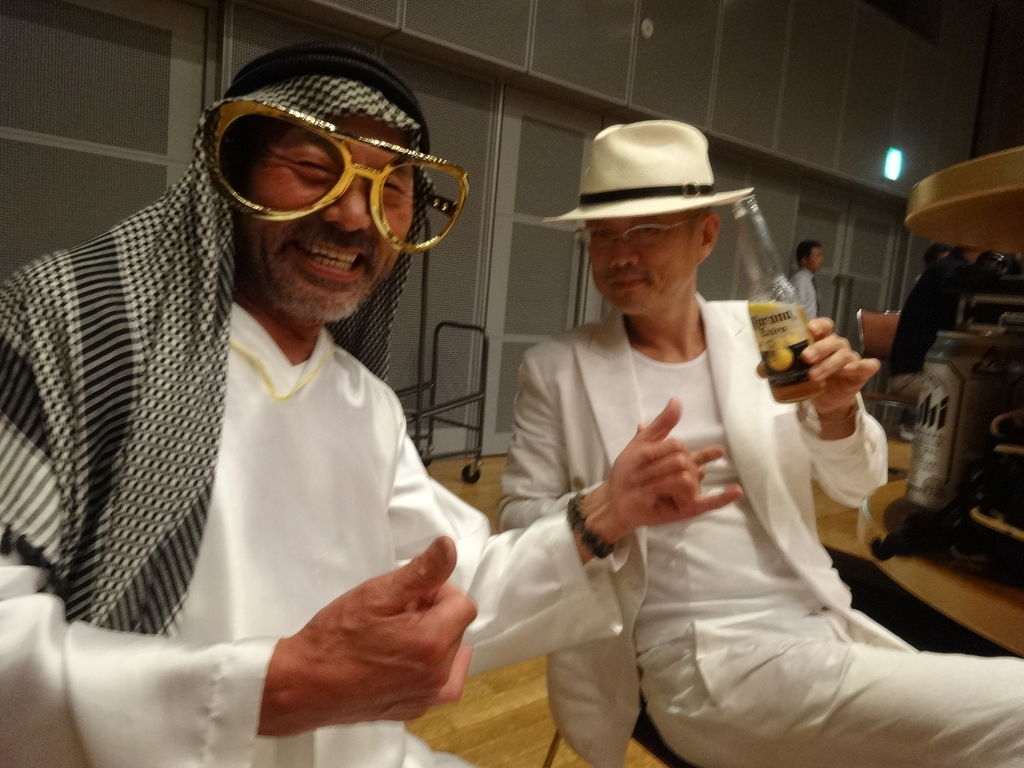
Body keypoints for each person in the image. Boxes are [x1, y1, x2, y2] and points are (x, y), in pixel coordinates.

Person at [0, 44, 702, 768]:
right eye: (313, 169)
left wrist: (604, 514)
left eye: (390, 187)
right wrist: (271, 688)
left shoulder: (366, 404)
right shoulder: (79, 334)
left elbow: (448, 587)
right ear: (231, 172)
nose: (352, 215)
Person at [498, 120, 1024, 768]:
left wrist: (836, 413)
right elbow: (516, 522)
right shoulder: (557, 368)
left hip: (817, 620)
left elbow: (856, 485)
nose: (618, 255)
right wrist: (612, 503)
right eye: (601, 235)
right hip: (699, 656)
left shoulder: (766, 333)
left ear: (706, 236)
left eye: (646, 230)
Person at [889, 244, 983, 402]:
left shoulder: (952, 269)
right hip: (915, 376)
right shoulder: (947, 272)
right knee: (989, 396)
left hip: (928, 373)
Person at [789, 238, 822, 318]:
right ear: (804, 260)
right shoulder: (800, 280)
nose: (821, 259)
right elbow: (795, 309)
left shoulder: (809, 280)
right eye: (818, 256)